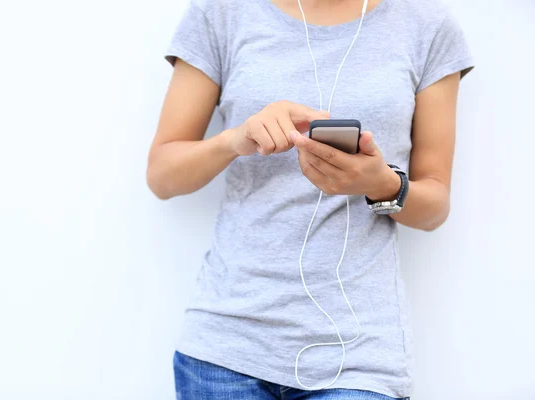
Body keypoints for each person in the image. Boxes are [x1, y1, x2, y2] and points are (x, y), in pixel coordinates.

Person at [147, 0, 474, 398]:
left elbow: (434, 206)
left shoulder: (427, 24)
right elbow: (162, 176)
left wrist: (382, 183)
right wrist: (234, 140)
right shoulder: (221, 12)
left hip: (359, 354)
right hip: (226, 346)